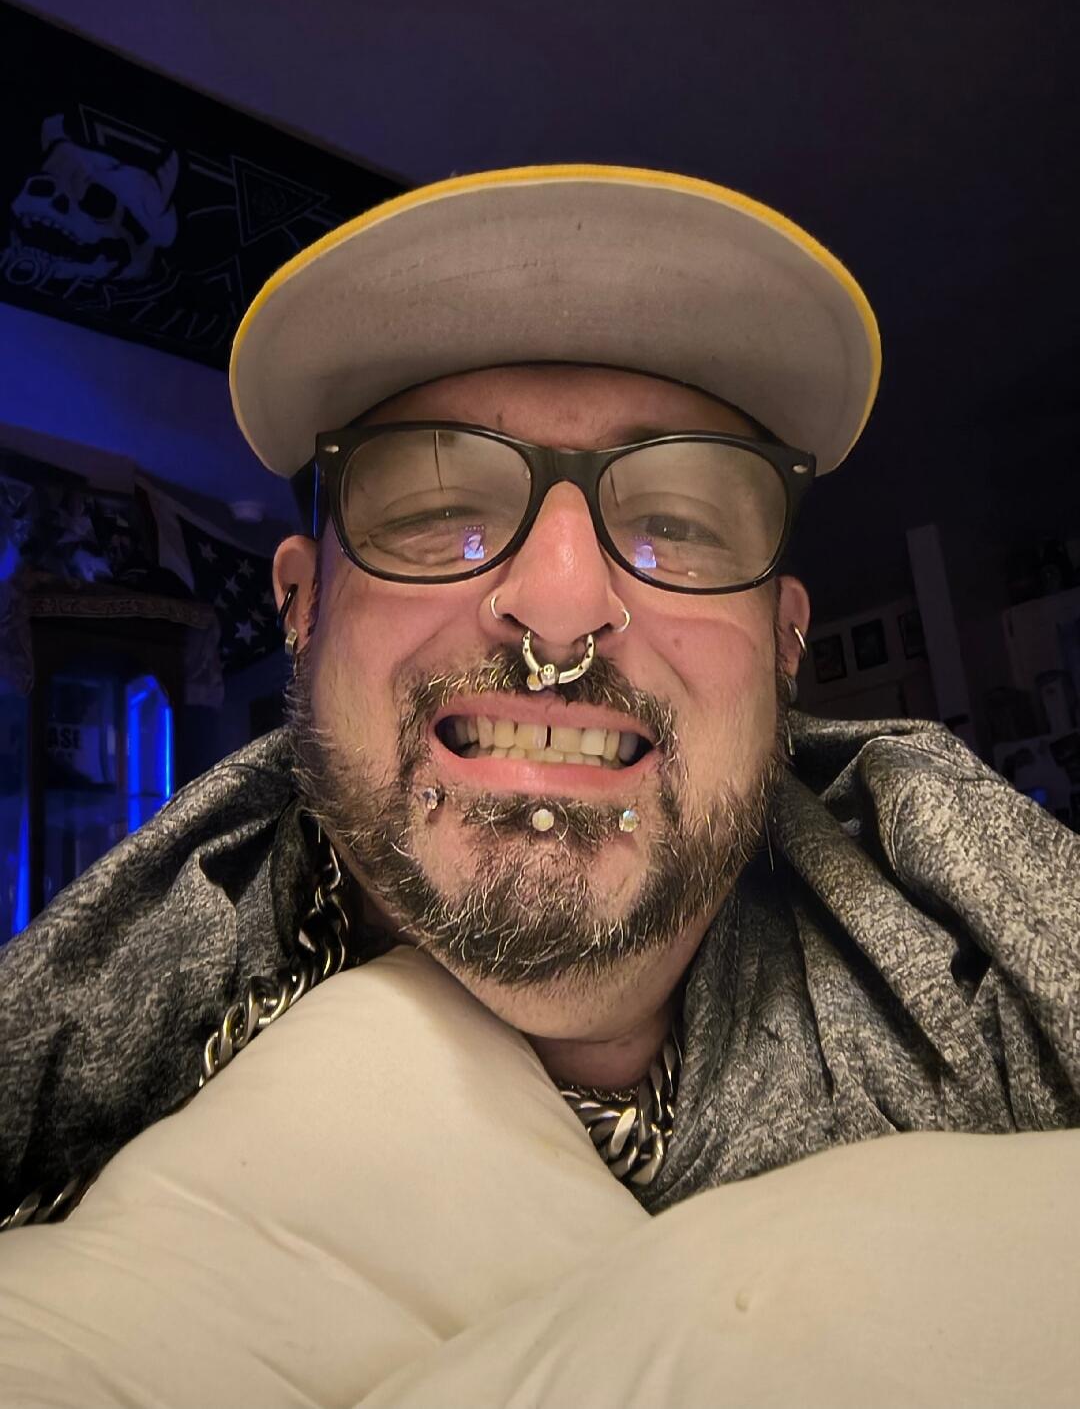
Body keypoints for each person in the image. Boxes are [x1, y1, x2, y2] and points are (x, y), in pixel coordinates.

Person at [2, 164, 1078, 1233]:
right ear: (303, 607)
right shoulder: (62, 1070)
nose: (560, 606)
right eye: (438, 511)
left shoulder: (990, 965)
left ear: (784, 642)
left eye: (679, 525)